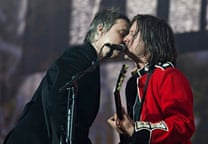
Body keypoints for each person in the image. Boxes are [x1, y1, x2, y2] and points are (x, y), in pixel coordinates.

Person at [3, 8, 130, 144]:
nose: (125, 40)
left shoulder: (91, 64)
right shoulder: (80, 56)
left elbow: (77, 125)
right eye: (122, 33)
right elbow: (58, 97)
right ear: (100, 29)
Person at [107, 14, 195, 144]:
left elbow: (183, 125)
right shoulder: (133, 82)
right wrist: (125, 129)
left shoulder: (169, 76)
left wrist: (135, 130)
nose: (125, 39)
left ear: (150, 40)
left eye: (133, 33)